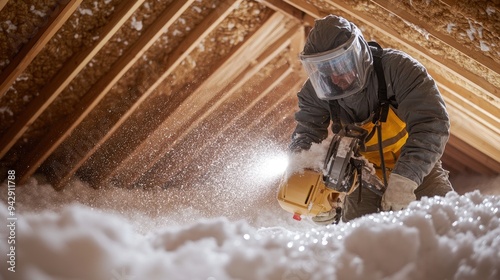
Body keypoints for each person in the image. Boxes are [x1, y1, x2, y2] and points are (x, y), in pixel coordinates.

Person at [289, 15, 454, 223]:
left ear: (358, 54)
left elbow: (431, 123)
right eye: (327, 70)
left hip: (419, 170)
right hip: (362, 179)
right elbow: (307, 137)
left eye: (341, 65)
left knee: (447, 224)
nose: (337, 78)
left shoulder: (399, 70)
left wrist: (406, 178)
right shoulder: (316, 92)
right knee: (357, 245)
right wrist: (313, 192)